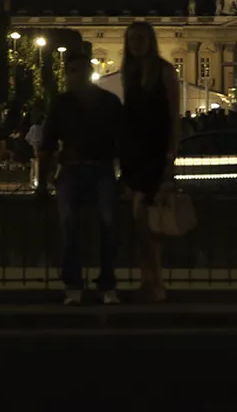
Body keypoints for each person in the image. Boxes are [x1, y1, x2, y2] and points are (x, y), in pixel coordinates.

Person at [38, 52, 124, 306]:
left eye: (77, 71)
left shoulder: (99, 102)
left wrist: (43, 182)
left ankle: (91, 284)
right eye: (71, 71)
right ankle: (85, 285)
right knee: (75, 226)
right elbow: (48, 143)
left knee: (102, 227)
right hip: (85, 169)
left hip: (87, 168)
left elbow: (48, 145)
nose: (73, 77)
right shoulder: (99, 101)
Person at [119, 21, 181, 303]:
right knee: (139, 222)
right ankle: (149, 279)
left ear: (151, 41)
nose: (136, 44)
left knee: (149, 222)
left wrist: (170, 156)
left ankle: (155, 282)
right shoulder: (130, 73)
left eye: (141, 38)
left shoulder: (164, 71)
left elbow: (173, 117)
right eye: (132, 39)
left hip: (155, 153)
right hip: (134, 154)